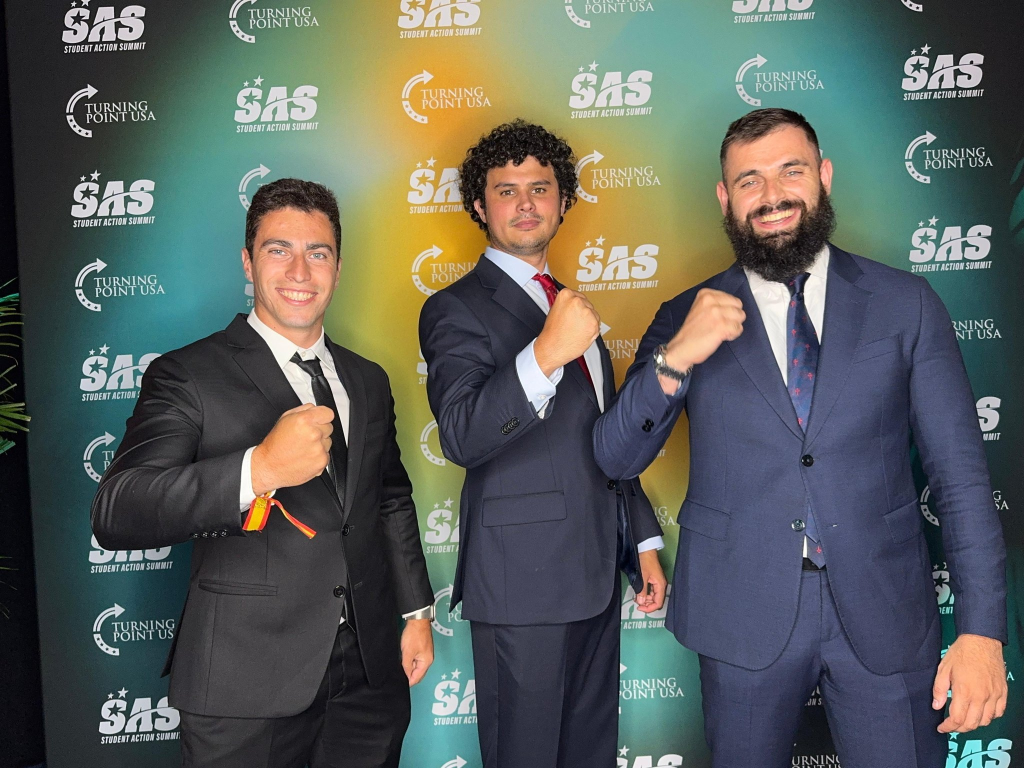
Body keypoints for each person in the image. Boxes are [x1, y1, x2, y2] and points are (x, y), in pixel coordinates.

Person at [593, 108, 1008, 768]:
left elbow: (960, 478)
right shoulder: (683, 316)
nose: (772, 195)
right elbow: (616, 456)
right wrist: (676, 358)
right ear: (725, 198)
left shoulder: (905, 303)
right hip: (739, 613)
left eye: (791, 171)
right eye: (749, 180)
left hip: (885, 611)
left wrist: (983, 632)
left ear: (824, 176)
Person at [91, 178, 434, 768]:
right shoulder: (187, 374)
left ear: (338, 268)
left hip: (369, 675)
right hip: (243, 679)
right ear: (248, 263)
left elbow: (390, 498)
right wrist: (259, 468)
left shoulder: (368, 379)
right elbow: (119, 509)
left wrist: (416, 612)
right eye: (279, 250)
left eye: (317, 253)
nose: (300, 270)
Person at [418, 119, 667, 768]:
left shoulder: (572, 305)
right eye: (506, 190)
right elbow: (461, 434)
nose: (525, 203)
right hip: (520, 585)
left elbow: (606, 439)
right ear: (480, 206)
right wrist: (546, 354)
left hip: (596, 573)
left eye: (540, 188)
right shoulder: (454, 308)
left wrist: (641, 541)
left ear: (563, 201)